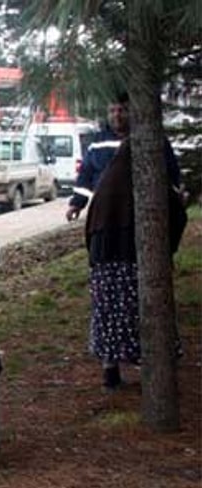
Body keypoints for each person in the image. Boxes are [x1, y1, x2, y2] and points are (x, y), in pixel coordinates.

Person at [84, 141, 186, 391]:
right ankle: (153, 370)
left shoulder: (105, 187)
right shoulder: (151, 183)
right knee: (143, 311)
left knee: (108, 315)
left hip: (104, 262)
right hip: (135, 257)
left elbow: (89, 228)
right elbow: (177, 216)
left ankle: (110, 373)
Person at [65, 92, 180, 222]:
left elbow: (171, 170)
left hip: (139, 211)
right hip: (105, 210)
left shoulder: (151, 139)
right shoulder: (97, 143)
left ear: (132, 112)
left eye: (122, 110)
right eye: (112, 111)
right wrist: (76, 204)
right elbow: (85, 175)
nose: (117, 115)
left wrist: (177, 195)